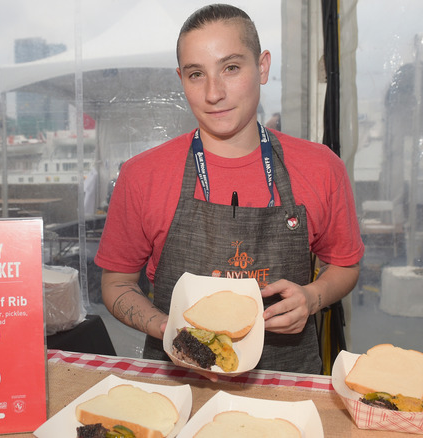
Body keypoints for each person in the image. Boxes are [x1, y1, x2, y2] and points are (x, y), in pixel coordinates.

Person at [94, 4, 364, 375]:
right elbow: (117, 283)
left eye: (231, 68)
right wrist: (164, 327)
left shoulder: (321, 167)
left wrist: (313, 297)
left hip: (286, 382)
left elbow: (345, 265)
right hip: (178, 384)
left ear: (263, 67)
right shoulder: (142, 175)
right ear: (181, 79)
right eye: (195, 74)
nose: (213, 93)